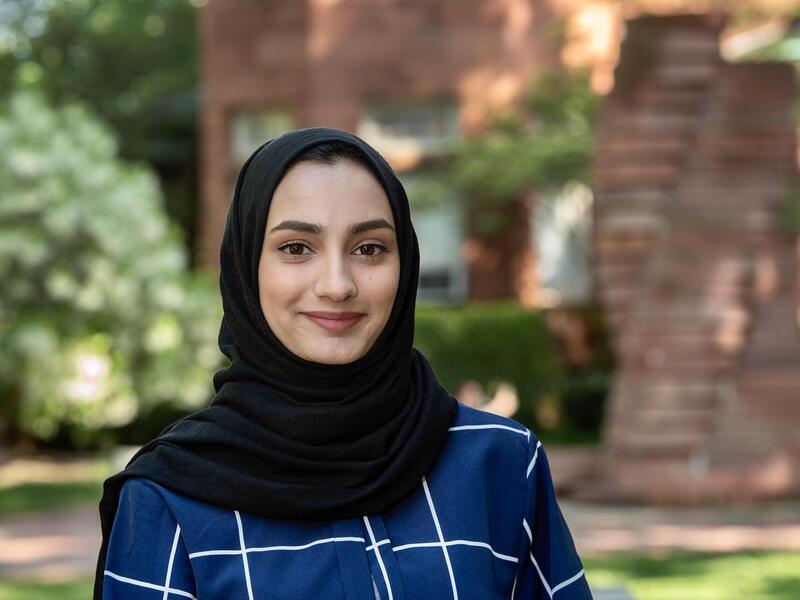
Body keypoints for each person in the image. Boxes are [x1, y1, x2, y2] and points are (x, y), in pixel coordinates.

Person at [94, 127, 592, 599]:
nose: (337, 285)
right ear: (246, 266)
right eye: (296, 248)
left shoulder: (502, 463)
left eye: (370, 248)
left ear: (405, 263)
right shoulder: (168, 499)